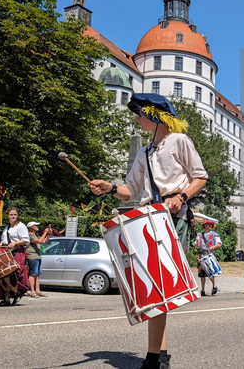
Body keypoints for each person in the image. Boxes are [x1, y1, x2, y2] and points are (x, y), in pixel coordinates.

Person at [89, 93, 207, 369]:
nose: (137, 118)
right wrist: (109, 187)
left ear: (155, 116)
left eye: (140, 113)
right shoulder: (144, 153)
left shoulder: (179, 142)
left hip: (171, 216)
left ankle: (155, 358)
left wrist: (181, 197)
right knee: (155, 287)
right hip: (148, 217)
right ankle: (158, 356)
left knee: (159, 285)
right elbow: (130, 191)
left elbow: (200, 177)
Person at [0, 207, 30, 306]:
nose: (13, 216)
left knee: (14, 273)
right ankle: (10, 295)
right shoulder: (7, 228)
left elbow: (26, 240)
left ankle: (15, 292)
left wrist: (15, 243)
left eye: (15, 214)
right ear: (8, 216)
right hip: (8, 252)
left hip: (18, 251)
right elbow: (4, 241)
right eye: (11, 214)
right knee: (3, 274)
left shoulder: (21, 226)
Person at [194, 219, 221, 296]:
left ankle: (214, 286)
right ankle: (202, 290)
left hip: (209, 255)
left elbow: (219, 244)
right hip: (201, 255)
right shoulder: (199, 235)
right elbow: (196, 246)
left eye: (211, 225)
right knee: (202, 274)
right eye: (208, 225)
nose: (210, 226)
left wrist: (214, 247)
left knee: (210, 272)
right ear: (205, 226)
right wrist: (197, 244)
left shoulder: (215, 234)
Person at [26, 221, 49, 298]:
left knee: (37, 275)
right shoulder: (29, 235)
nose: (37, 226)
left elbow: (43, 241)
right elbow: (39, 241)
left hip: (38, 256)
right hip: (32, 256)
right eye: (36, 225)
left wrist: (48, 235)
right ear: (31, 227)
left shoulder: (34, 235)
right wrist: (45, 233)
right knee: (32, 274)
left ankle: (37, 290)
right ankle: (32, 291)